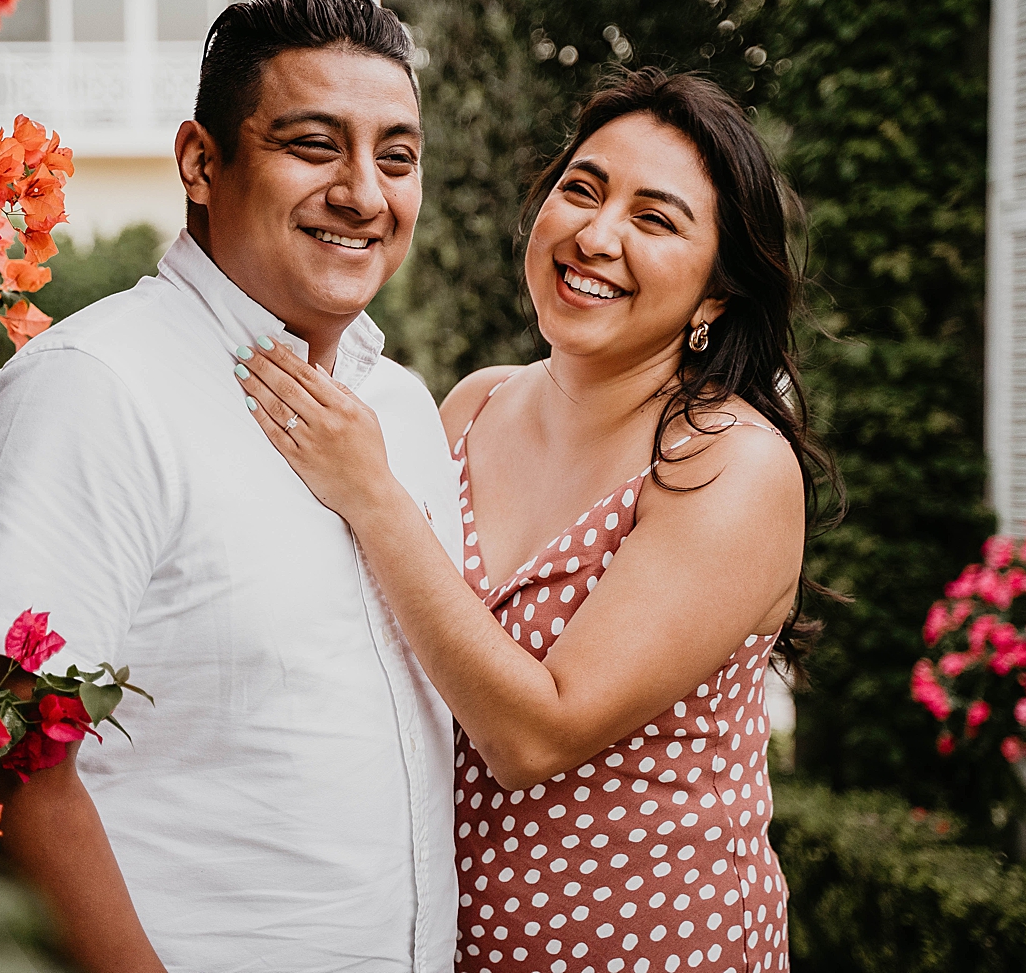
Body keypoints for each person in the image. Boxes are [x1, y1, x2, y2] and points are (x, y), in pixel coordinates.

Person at [235, 67, 835, 973]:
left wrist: (372, 492)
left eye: (654, 218)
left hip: (657, 951)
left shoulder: (730, 462)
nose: (595, 235)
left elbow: (532, 736)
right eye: (582, 191)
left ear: (716, 295)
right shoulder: (474, 406)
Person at [0, 0, 463, 973]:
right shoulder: (92, 391)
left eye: (396, 156)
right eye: (313, 144)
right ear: (201, 162)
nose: (363, 192)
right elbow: (1, 765)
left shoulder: (403, 411)